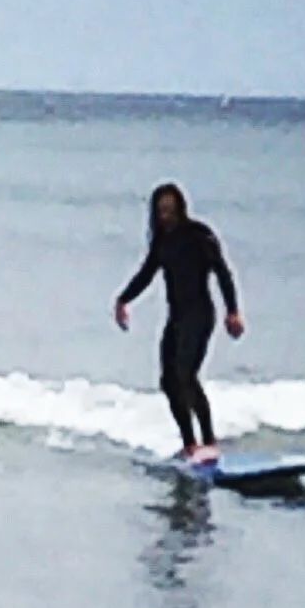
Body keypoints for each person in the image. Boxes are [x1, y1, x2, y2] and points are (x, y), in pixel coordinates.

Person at [114, 182, 244, 461]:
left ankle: (208, 440)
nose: (165, 216)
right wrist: (123, 300)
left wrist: (233, 311)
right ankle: (190, 444)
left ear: (180, 208)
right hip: (177, 318)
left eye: (170, 210)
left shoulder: (200, 235)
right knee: (168, 381)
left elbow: (223, 272)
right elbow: (146, 273)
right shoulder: (161, 243)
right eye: (160, 211)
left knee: (186, 376)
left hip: (200, 316)